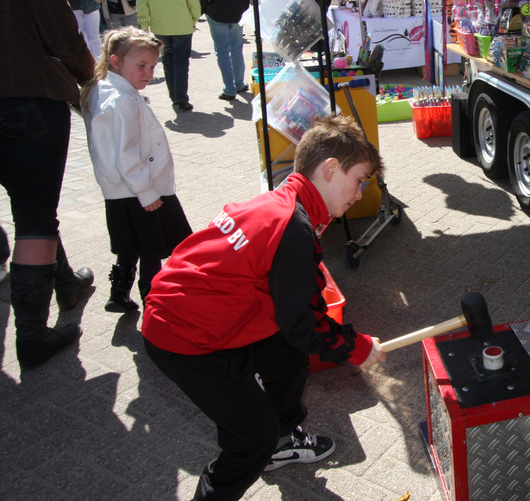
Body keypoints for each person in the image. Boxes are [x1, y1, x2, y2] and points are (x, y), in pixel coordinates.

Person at [141, 115, 387, 500]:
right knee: (252, 437)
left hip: (199, 310)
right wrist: (355, 347)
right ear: (330, 169)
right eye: (359, 180)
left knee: (287, 351)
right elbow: (303, 323)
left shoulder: (281, 202)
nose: (359, 194)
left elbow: (294, 313)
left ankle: (283, 440)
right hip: (184, 337)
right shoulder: (292, 226)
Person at [0, 0, 96, 369]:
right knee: (35, 217)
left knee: (29, 204)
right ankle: (33, 336)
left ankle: (65, 283)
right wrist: (91, 77)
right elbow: (60, 30)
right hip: (24, 96)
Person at [80, 27, 193, 312]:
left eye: (152, 67)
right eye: (141, 66)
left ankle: (119, 295)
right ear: (116, 61)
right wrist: (146, 191)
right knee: (151, 249)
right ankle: (155, 304)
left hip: (120, 191)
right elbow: (126, 153)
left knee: (129, 245)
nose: (148, 73)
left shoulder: (103, 89)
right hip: (142, 190)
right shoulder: (122, 100)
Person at [137, 0, 202, 112]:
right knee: (181, 62)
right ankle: (181, 97)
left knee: (167, 61)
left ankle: (174, 97)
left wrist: (144, 24)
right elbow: (193, 2)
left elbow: (142, 1)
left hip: (160, 26)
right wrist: (193, 19)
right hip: (182, 26)